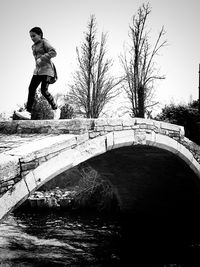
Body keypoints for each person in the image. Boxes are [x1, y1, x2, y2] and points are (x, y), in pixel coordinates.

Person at [15, 27, 60, 120]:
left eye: (34, 36)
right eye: (30, 36)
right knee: (31, 88)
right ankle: (28, 112)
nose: (32, 38)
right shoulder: (33, 46)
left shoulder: (44, 42)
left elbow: (53, 52)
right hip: (37, 72)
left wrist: (42, 58)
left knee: (44, 90)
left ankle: (56, 109)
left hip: (47, 71)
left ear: (40, 34)